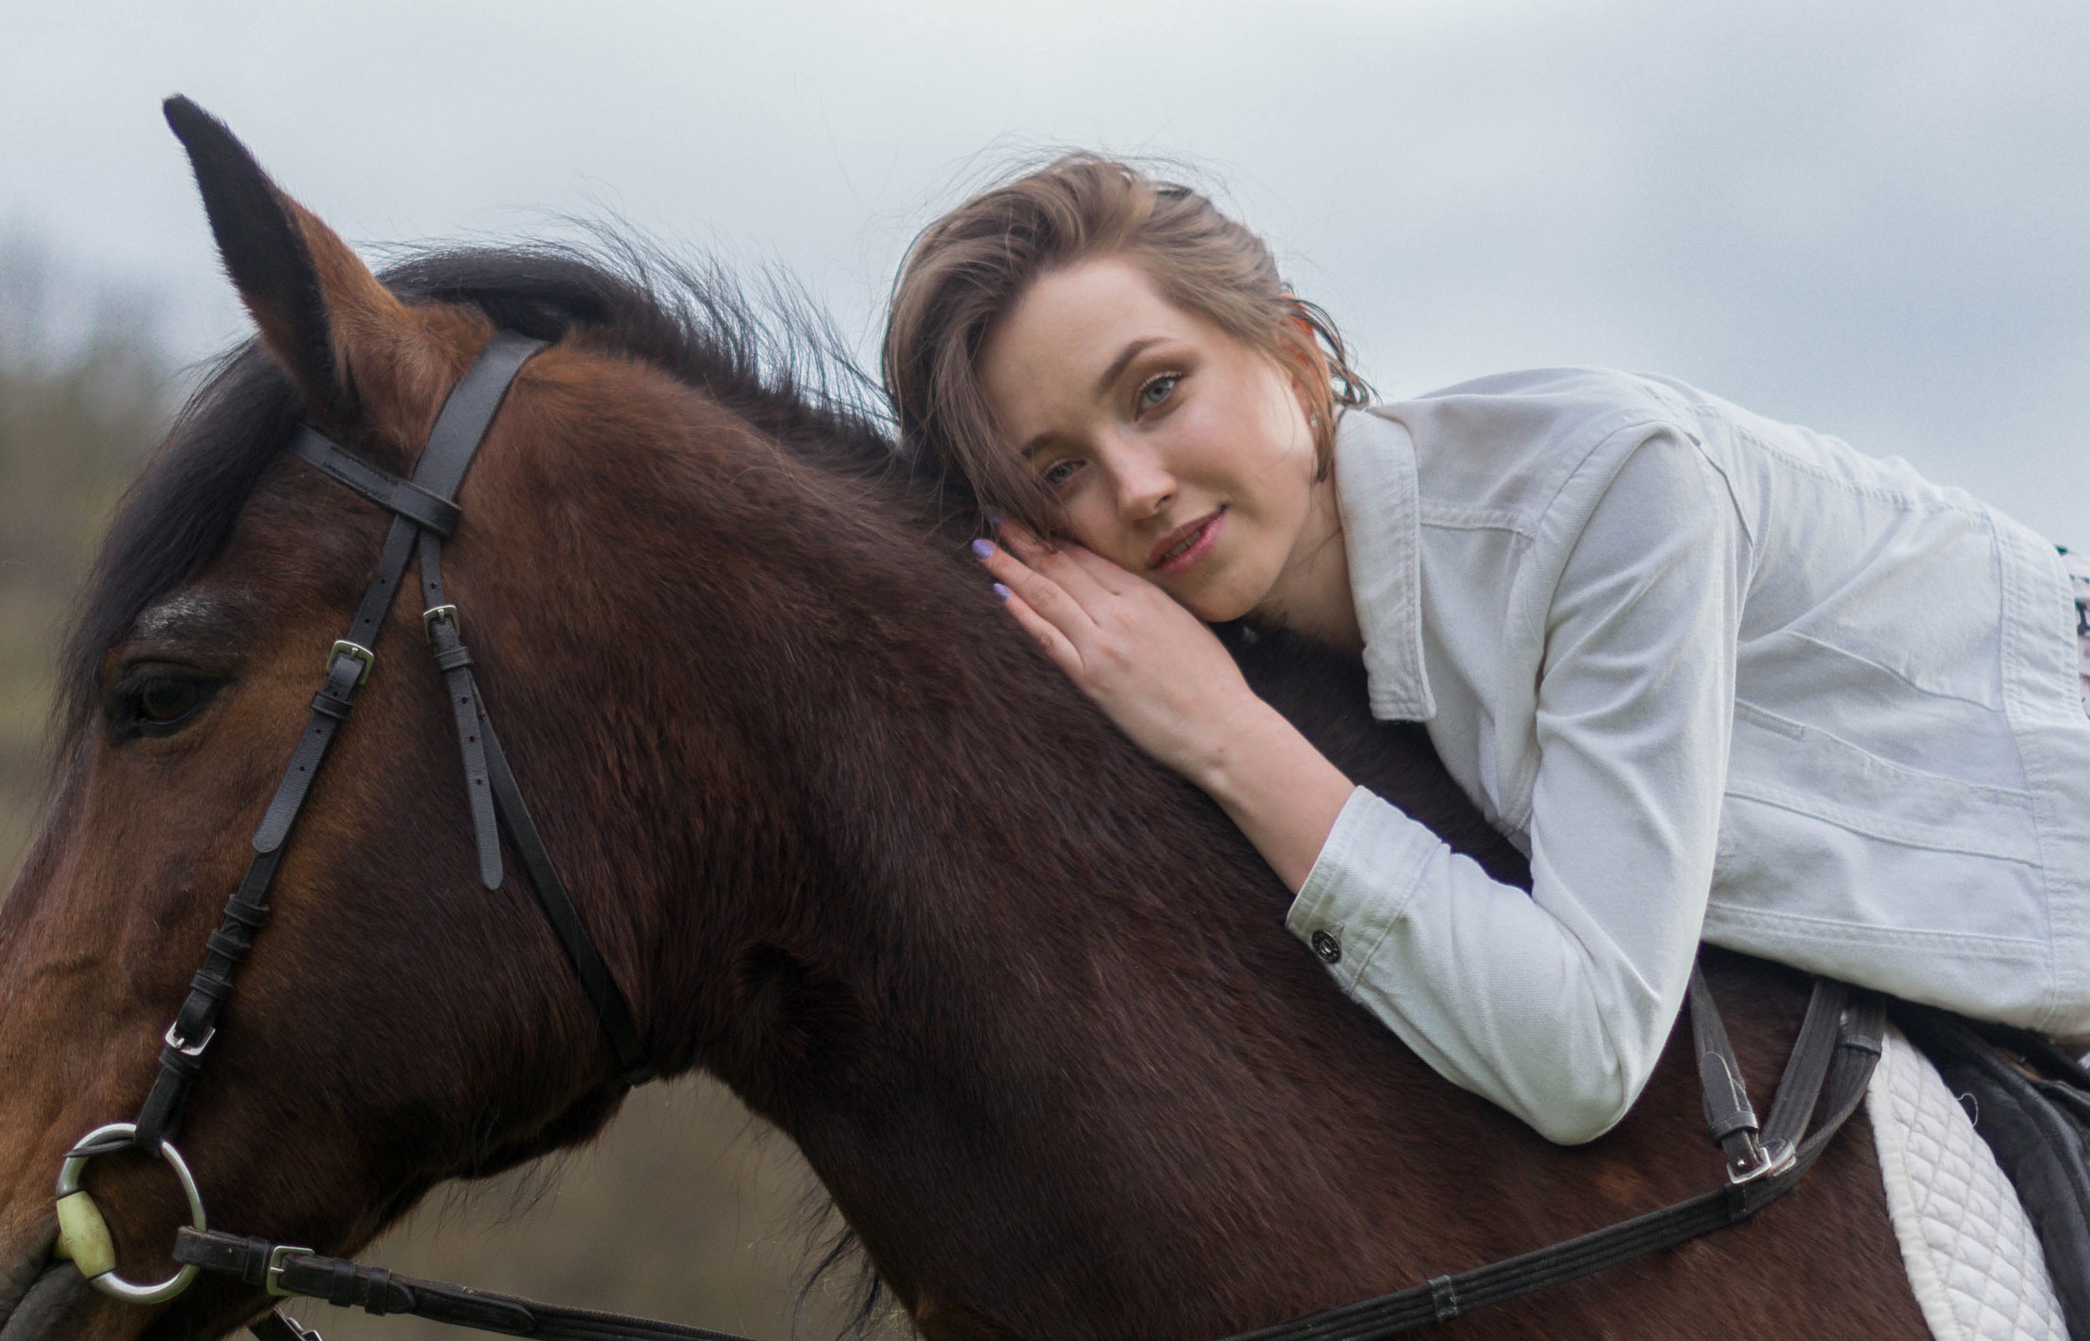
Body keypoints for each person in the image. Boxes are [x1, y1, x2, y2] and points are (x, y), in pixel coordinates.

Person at [882, 154, 2090, 1145]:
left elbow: (1586, 1050)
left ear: (1296, 356)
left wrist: (1228, 740)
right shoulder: (1254, 659)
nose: (1136, 488)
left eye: (1154, 391)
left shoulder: (1606, 496)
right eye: (1059, 472)